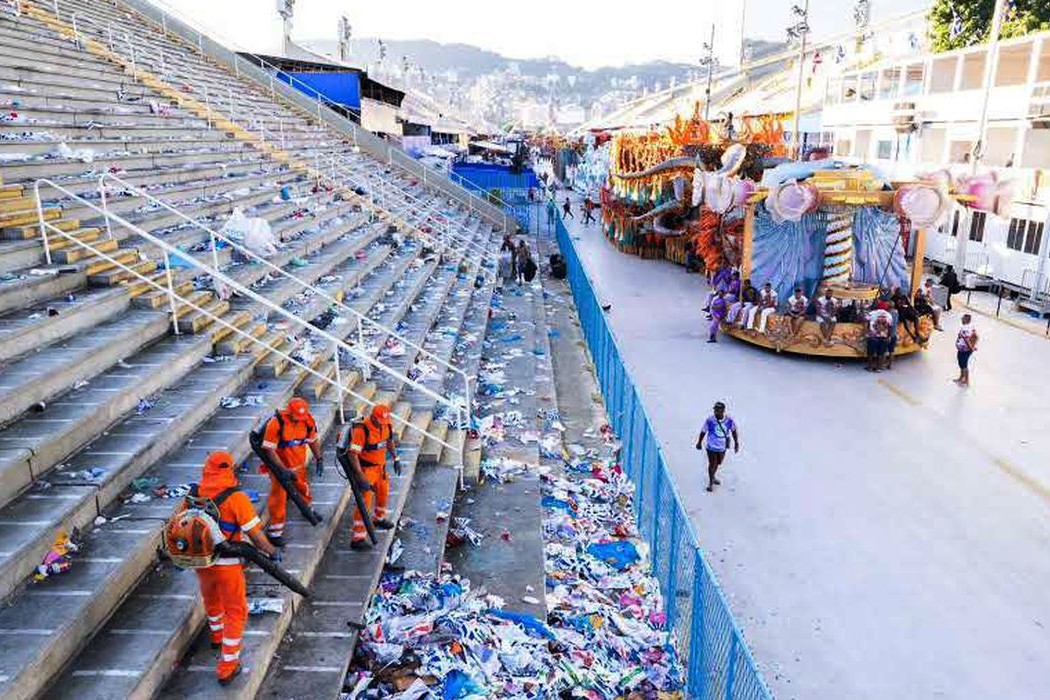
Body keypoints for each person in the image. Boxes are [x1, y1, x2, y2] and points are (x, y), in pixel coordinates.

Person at [185, 451, 279, 685]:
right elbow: (255, 535)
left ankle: (216, 636)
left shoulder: (194, 493)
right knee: (236, 611)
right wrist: (272, 551)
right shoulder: (235, 497)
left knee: (212, 600)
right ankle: (228, 666)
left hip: (203, 562)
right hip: (227, 564)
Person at [260, 397, 322, 546]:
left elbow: (312, 440)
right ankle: (275, 532)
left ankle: (307, 509)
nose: (298, 420)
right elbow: (269, 449)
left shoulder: (308, 421)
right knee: (278, 497)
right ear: (289, 413)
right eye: (296, 417)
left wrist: (319, 458)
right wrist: (282, 470)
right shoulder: (276, 423)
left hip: (298, 465)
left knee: (303, 488)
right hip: (279, 467)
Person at [343, 404, 401, 549]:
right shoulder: (361, 430)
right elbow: (352, 454)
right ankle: (358, 538)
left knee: (383, 494)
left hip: (380, 468)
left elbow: (389, 441)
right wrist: (360, 477)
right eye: (379, 421)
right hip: (366, 470)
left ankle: (379, 519)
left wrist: (396, 458)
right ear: (373, 417)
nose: (382, 424)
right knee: (364, 503)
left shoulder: (386, 424)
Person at [695, 402, 739, 492]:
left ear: (723, 411)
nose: (716, 412)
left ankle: (713, 476)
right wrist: (699, 442)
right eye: (715, 410)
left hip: (722, 447)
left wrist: (736, 443)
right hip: (711, 446)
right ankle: (711, 483)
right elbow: (703, 431)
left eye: (718, 410)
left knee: (719, 463)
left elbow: (734, 431)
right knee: (712, 464)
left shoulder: (729, 421)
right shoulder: (710, 420)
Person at [865, 302, 893, 372]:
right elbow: (890, 327)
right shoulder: (889, 315)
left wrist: (868, 330)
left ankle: (870, 367)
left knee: (870, 353)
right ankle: (879, 368)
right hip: (884, 337)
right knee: (880, 353)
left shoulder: (872, 313)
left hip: (873, 336)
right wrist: (889, 336)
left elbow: (865, 320)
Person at [954, 314, 978, 387]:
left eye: (963, 318)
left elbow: (967, 339)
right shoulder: (971, 326)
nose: (961, 319)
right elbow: (975, 335)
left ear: (966, 320)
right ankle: (961, 378)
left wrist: (971, 348)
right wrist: (974, 345)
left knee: (964, 365)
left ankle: (966, 381)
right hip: (963, 349)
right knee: (961, 364)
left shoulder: (965, 328)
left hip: (965, 350)